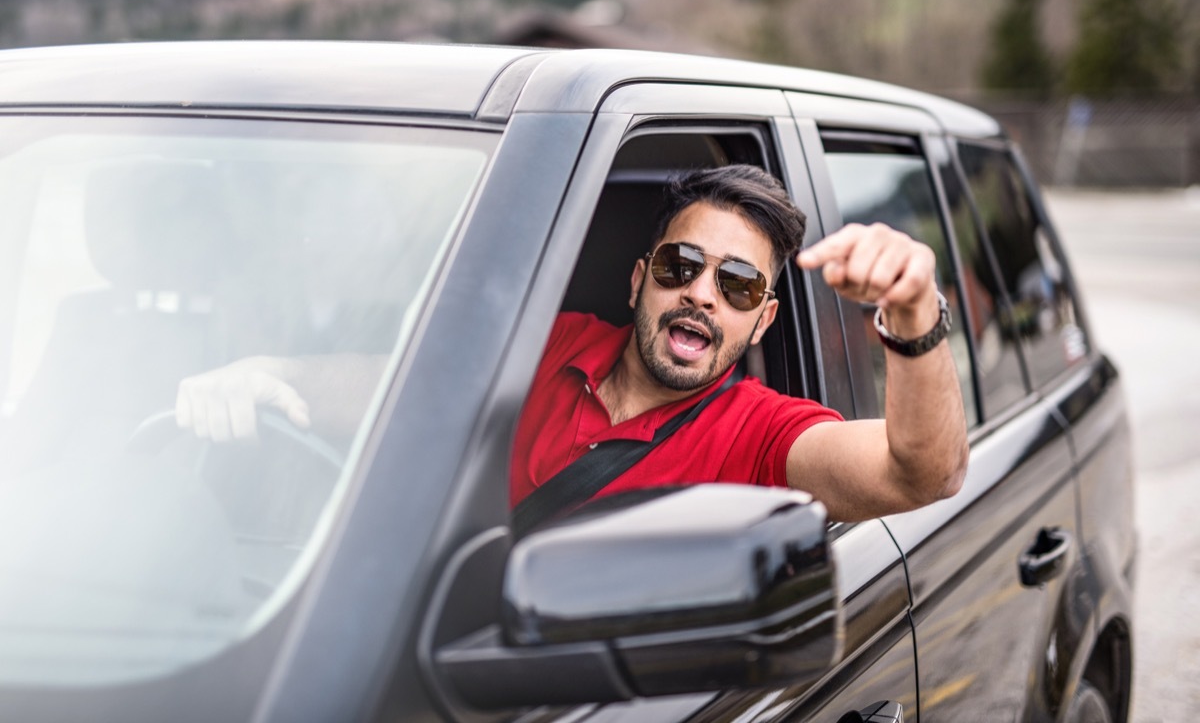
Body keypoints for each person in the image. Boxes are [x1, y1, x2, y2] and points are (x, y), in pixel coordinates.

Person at [176, 165, 968, 523]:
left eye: (736, 286)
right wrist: (266, 373)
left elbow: (922, 475)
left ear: (761, 323)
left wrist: (912, 309)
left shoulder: (764, 432)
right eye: (681, 265)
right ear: (638, 281)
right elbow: (392, 388)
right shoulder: (544, 342)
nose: (699, 292)